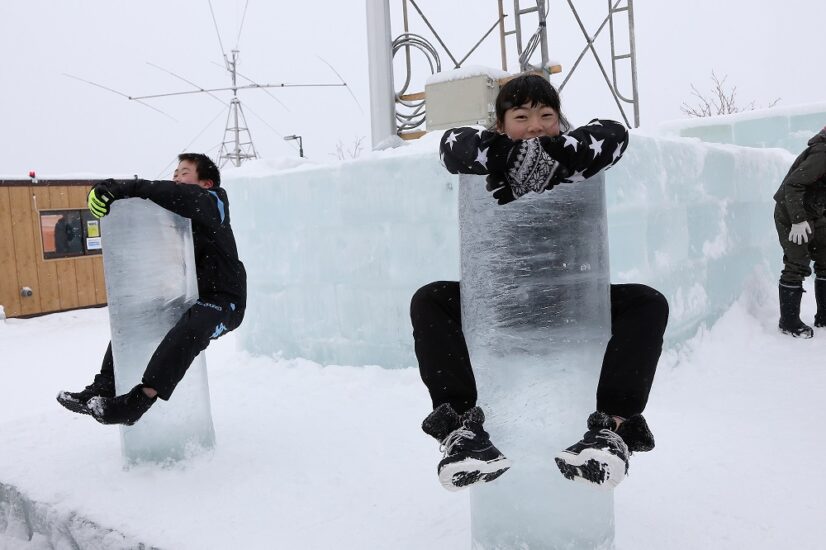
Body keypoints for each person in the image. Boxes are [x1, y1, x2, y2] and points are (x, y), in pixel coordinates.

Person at [410, 73, 669, 491]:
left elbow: (615, 134)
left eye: (546, 115)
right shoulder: (482, 154)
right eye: (522, 116)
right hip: (501, 297)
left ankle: (611, 432)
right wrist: (507, 158)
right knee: (430, 300)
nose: (535, 125)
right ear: (500, 125)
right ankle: (462, 432)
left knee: (646, 302)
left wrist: (558, 157)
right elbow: (450, 145)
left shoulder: (580, 158)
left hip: (568, 297)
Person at [57, 153, 246, 425]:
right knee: (135, 320)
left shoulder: (215, 201)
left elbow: (176, 195)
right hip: (193, 297)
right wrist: (113, 197)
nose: (176, 177)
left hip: (226, 301)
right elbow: (166, 197)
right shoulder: (179, 213)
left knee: (193, 328)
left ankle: (139, 400)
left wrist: (126, 187)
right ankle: (104, 386)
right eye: (175, 173)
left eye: (184, 172)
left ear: (206, 183)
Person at [772, 126, 826, 338]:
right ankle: (789, 322)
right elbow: (793, 185)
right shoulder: (822, 153)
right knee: (797, 262)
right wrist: (798, 220)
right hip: (791, 212)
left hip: (815, 211)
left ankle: (824, 315)